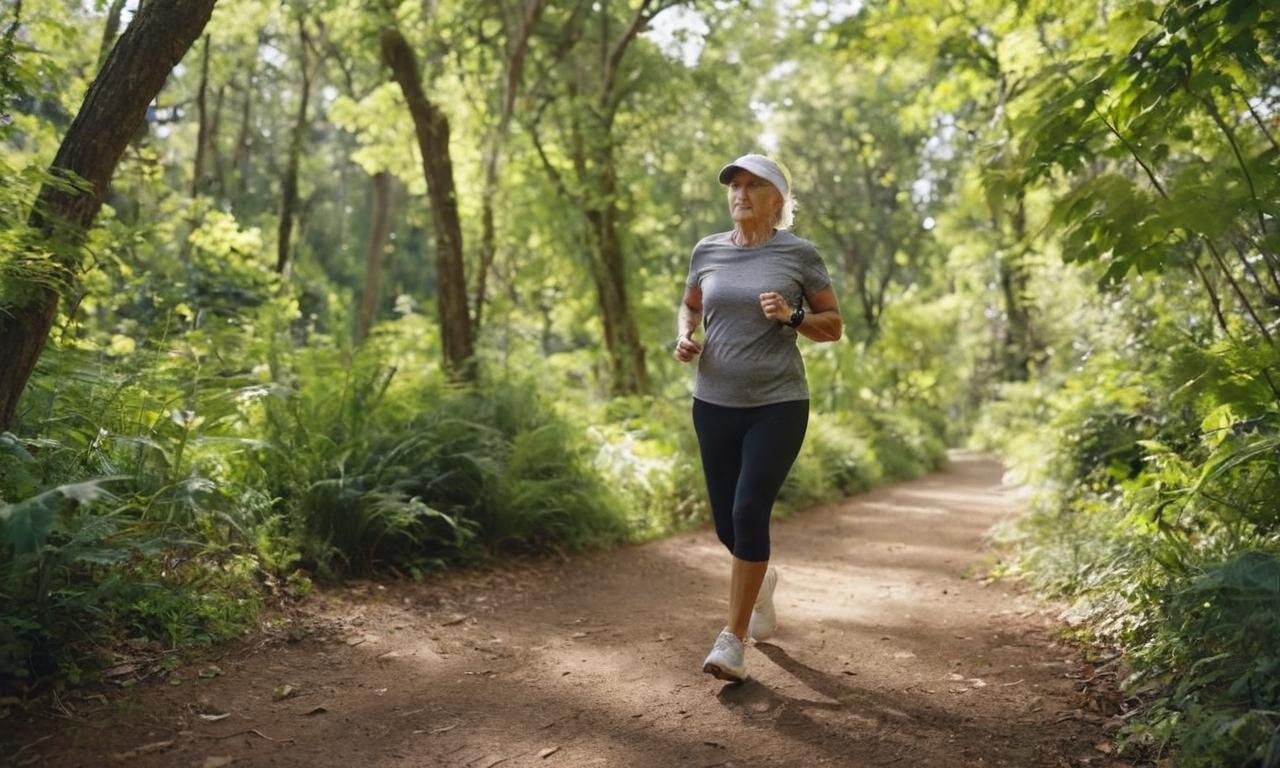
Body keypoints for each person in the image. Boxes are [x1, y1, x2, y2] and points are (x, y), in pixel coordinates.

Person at [674, 153, 843, 682]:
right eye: (735, 186)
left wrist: (793, 316)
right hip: (713, 402)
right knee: (728, 523)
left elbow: (833, 325)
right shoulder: (708, 249)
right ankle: (761, 582)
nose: (741, 194)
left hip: (778, 403)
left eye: (753, 186)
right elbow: (690, 304)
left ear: (778, 200)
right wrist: (683, 334)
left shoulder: (799, 255)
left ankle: (733, 640)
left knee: (749, 512)